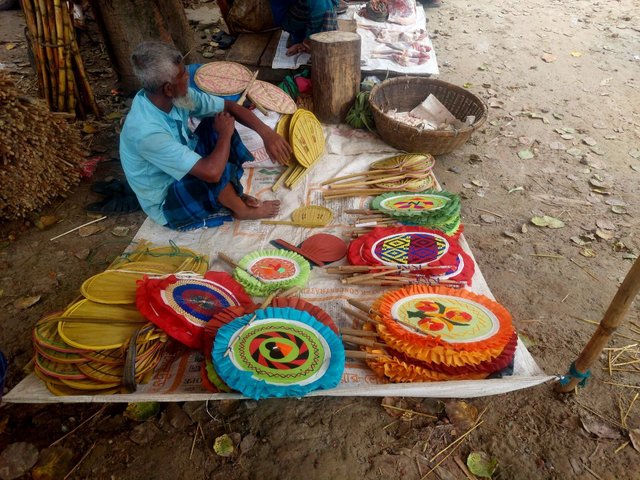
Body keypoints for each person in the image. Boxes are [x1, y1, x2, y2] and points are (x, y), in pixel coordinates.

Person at [120, 41, 291, 231]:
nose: (188, 77)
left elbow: (229, 106)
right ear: (168, 89)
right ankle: (241, 209)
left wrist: (267, 134)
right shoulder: (147, 133)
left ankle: (232, 196)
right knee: (213, 165)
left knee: (218, 120)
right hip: (167, 200)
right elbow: (211, 173)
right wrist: (225, 135)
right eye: (183, 76)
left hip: (182, 165)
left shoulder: (169, 96)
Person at [268, 0, 340, 56]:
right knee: (320, 4)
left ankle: (311, 37)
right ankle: (311, 41)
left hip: (300, 11)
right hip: (287, 18)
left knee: (325, 5)